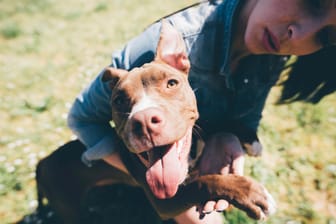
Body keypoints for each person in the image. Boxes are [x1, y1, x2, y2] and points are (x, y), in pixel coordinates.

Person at [67, 0, 336, 223]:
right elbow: (81, 118)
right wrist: (140, 172)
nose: (299, 36)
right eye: (313, 2)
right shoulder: (162, 49)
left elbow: (247, 115)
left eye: (325, 36)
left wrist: (228, 136)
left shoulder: (273, 52)